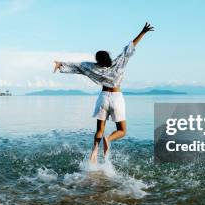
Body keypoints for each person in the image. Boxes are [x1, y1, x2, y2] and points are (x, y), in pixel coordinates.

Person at [53, 22, 154, 163]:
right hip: (117, 98)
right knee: (122, 130)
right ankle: (109, 139)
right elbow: (130, 47)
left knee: (100, 128)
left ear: (98, 60)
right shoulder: (119, 62)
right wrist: (143, 32)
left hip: (103, 98)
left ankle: (95, 149)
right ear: (108, 57)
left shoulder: (93, 67)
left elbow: (78, 66)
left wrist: (60, 64)